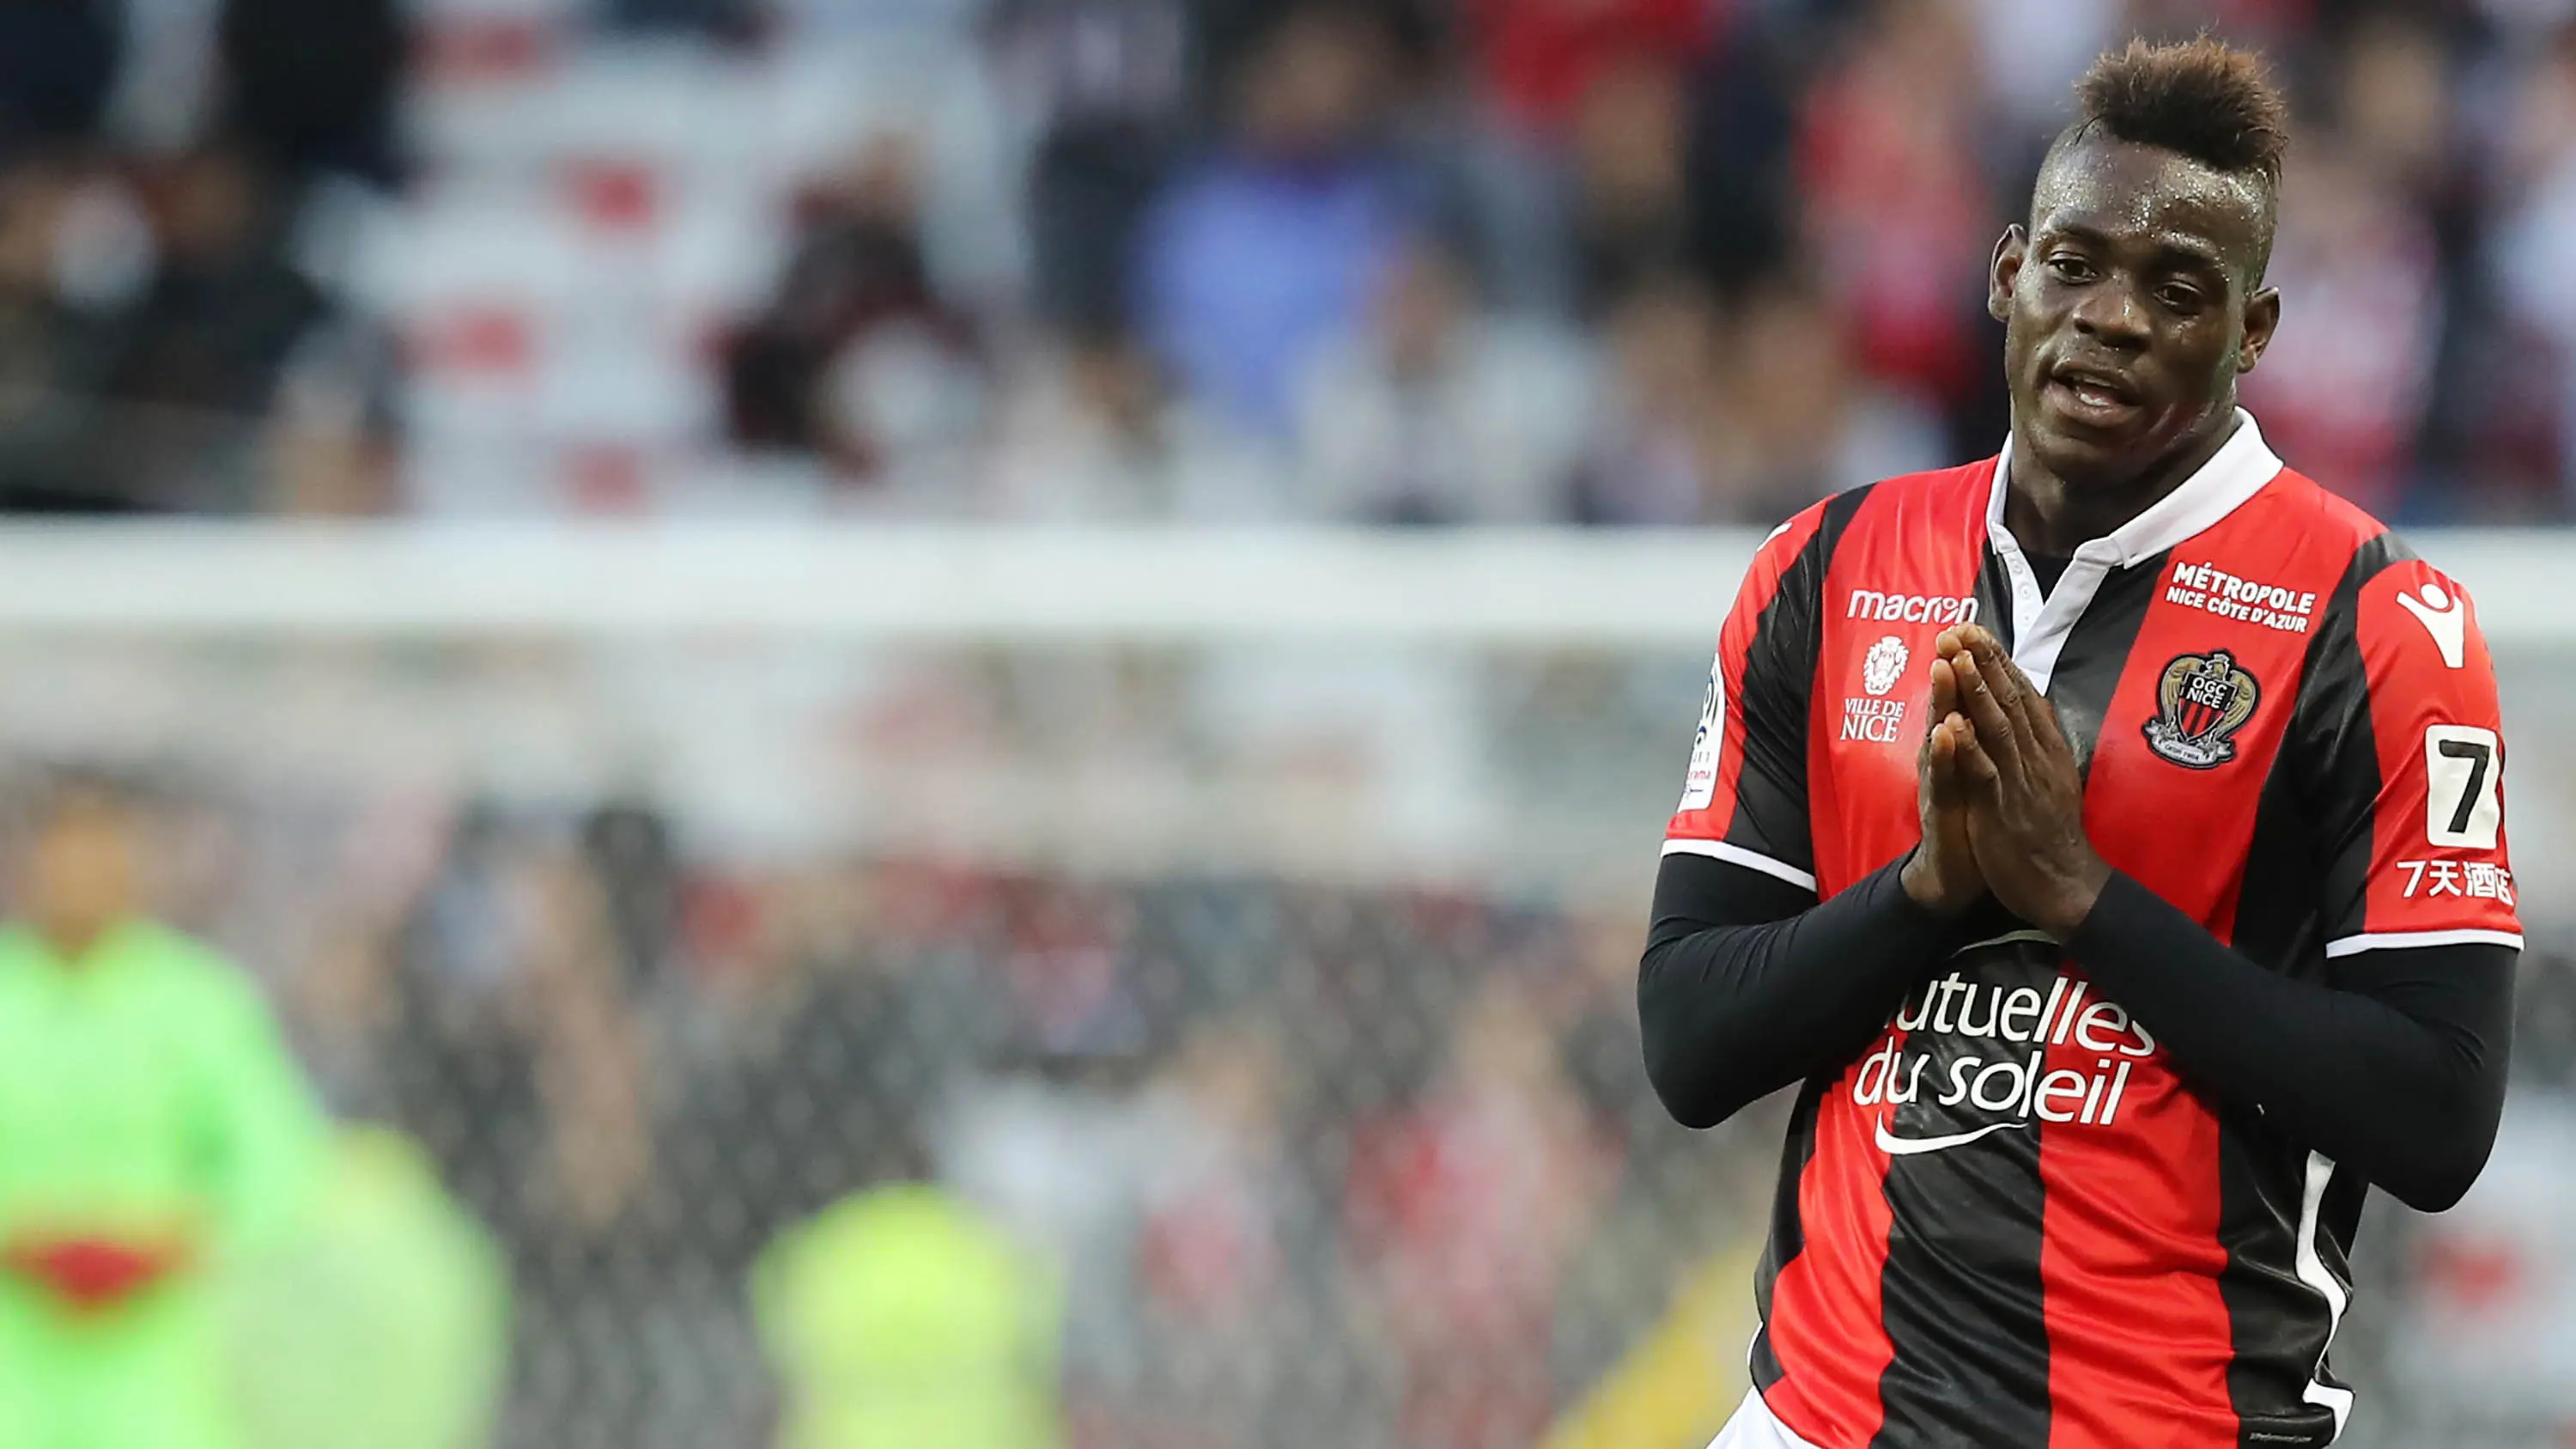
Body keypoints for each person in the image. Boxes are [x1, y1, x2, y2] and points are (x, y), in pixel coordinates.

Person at [1637, 39, 2518, 1449]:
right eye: (2076, 264)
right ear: (2006, 274)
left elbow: (2437, 1115)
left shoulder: (2383, 623)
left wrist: (2085, 900)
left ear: (2254, 332)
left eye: (2179, 291)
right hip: (1820, 1415)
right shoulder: (1827, 566)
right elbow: (1689, 1038)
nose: (2113, 318)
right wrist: (1931, 890)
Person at [0, 771, 327, 1449]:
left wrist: (173, 1242)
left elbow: (281, 1163)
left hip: (156, 1366)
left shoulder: (197, 1002)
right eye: (62, 856)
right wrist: (24, 1245)